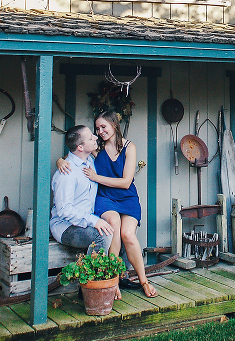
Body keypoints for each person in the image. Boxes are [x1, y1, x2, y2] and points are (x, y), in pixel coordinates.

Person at [57, 111, 156, 298]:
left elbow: (126, 182)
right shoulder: (96, 148)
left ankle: (144, 281)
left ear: (114, 125)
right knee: (113, 225)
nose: (100, 131)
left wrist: (96, 177)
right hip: (105, 197)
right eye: (97, 128)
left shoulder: (129, 147)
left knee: (128, 234)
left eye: (104, 127)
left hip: (127, 197)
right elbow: (74, 154)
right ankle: (113, 279)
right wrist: (60, 161)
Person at [50, 124, 119, 298]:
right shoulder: (67, 172)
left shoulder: (90, 162)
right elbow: (65, 210)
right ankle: (91, 289)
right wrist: (94, 221)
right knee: (102, 235)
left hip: (84, 221)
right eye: (90, 138)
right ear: (80, 147)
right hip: (66, 227)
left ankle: (116, 283)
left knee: (117, 229)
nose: (95, 137)